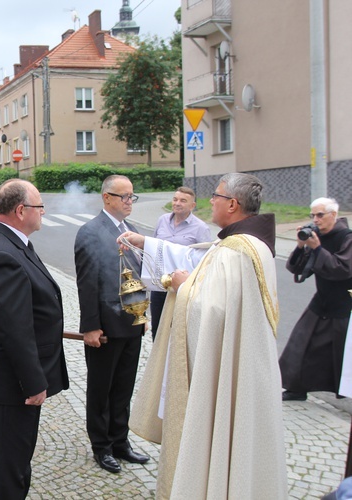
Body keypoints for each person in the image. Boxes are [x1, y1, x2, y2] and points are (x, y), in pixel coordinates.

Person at [122, 173, 287, 499]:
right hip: (245, 364)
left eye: (216, 195)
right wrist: (148, 244)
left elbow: (209, 309)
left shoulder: (236, 252)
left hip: (228, 370)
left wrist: (184, 287)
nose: (210, 200)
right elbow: (198, 259)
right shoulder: (247, 244)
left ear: (232, 204)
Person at [0, 179, 68, 498]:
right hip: (10, 383)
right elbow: (14, 329)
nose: (44, 212)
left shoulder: (14, 243)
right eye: (39, 206)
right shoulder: (3, 254)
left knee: (16, 460)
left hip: (11, 381)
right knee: (10, 466)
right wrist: (33, 382)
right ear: (21, 210)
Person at [74, 174, 150, 474]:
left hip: (131, 324)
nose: (130, 202)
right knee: (101, 390)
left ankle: (121, 441)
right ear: (107, 198)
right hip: (105, 327)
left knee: (123, 388)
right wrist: (90, 327)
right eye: (125, 196)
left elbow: (137, 275)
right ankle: (102, 446)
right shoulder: (90, 232)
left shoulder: (131, 230)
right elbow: (87, 283)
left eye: (132, 196)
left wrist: (141, 315)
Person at [279, 197, 352, 401]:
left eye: (320, 215)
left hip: (344, 304)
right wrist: (302, 246)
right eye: (313, 215)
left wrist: (318, 249)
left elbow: (342, 269)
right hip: (322, 300)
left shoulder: (347, 238)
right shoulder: (315, 236)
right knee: (301, 343)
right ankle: (296, 387)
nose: (316, 220)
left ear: (334, 215)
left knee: (341, 352)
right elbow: (297, 269)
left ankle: (343, 389)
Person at [149, 186, 211, 338]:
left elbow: (205, 262)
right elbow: (155, 249)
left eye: (183, 201)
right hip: (160, 286)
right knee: (157, 330)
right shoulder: (162, 220)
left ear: (193, 206)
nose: (177, 203)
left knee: (177, 332)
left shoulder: (201, 228)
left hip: (181, 288)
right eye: (175, 199)